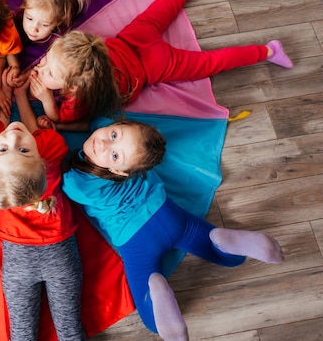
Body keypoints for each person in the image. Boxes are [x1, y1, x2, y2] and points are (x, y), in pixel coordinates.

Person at [62, 118, 284, 340]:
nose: (102, 144)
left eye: (115, 155)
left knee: (153, 322)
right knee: (230, 257)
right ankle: (221, 240)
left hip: (134, 238)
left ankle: (155, 288)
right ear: (117, 125)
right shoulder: (137, 159)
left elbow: (56, 175)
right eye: (113, 136)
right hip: (167, 213)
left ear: (119, 172)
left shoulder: (75, 183)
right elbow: (103, 126)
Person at [28, 0, 294, 127]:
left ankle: (269, 51)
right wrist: (50, 69)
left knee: (210, 62)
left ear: (74, 86)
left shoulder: (79, 96)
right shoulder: (82, 54)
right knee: (168, 3)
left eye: (48, 67)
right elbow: (68, 59)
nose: (41, 68)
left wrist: (47, 99)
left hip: (151, 65)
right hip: (132, 39)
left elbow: (66, 121)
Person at [0, 70, 85, 340]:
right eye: (22, 150)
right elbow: (30, 132)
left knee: (21, 333)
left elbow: (0, 119)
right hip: (60, 254)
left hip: (18, 260)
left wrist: (6, 91)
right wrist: (20, 93)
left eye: (5, 148)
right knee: (70, 330)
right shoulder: (51, 150)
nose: (13, 138)